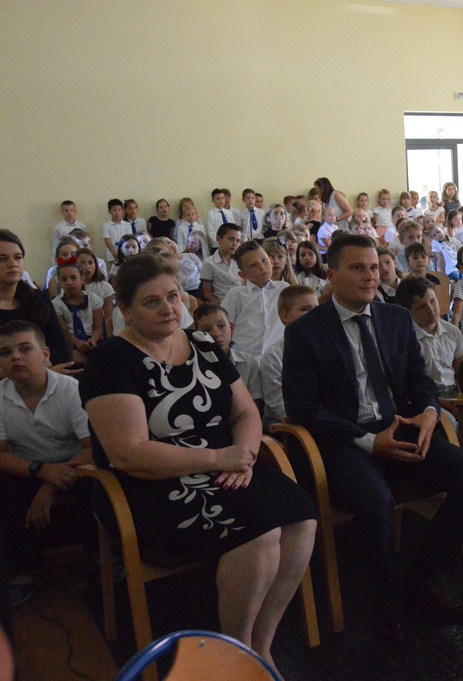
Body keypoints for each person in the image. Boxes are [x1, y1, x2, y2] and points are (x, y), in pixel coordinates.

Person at [79, 254, 316, 672]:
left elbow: (245, 412)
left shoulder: (204, 345)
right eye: (152, 302)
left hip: (225, 467)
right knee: (259, 535)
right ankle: (233, 655)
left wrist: (244, 455)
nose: (168, 308)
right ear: (125, 309)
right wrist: (221, 457)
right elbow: (128, 452)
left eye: (173, 296)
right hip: (149, 484)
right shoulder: (110, 361)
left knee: (301, 517)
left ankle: (260, 643)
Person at [281, 233, 463, 639]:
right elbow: (304, 409)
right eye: (357, 268)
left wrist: (429, 412)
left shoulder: (395, 317)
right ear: (331, 275)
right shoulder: (306, 332)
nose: (370, 276)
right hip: (345, 439)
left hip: (401, 425)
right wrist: (368, 441)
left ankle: (422, 579)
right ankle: (386, 596)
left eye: (374, 267)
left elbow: (418, 377)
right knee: (375, 502)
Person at [0, 321, 92, 607]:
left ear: (45, 354)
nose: (15, 357)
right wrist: (41, 472)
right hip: (29, 468)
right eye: (5, 353)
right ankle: (27, 568)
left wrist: (50, 485)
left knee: (97, 482)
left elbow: (92, 447)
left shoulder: (70, 389)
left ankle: (99, 558)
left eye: (24, 349)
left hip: (75, 465)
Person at [0, 231, 71, 369]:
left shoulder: (38, 299)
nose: (13, 264)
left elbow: (59, 345)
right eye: (2, 259)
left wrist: (48, 371)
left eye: (18, 257)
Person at [395, 276, 463, 399]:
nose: (431, 309)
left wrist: (462, 398)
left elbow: (461, 372)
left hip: (453, 395)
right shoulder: (405, 339)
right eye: (422, 307)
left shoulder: (453, 332)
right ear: (408, 311)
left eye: (433, 301)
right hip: (424, 397)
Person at [260, 285, 318, 426]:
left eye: (316, 310)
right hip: (288, 426)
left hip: (325, 418)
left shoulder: (326, 347)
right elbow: (277, 405)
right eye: (305, 309)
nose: (314, 315)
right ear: (285, 316)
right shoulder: (273, 356)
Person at [193, 303, 262, 405]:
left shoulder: (248, 363)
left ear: (231, 328)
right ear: (196, 335)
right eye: (207, 330)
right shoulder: (192, 366)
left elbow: (255, 405)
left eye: (221, 326)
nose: (216, 333)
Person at [199, 223, 243, 305]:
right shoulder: (209, 263)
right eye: (231, 239)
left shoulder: (241, 260)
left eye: (237, 240)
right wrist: (224, 305)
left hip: (242, 301)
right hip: (222, 303)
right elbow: (207, 294)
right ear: (219, 239)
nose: (234, 244)